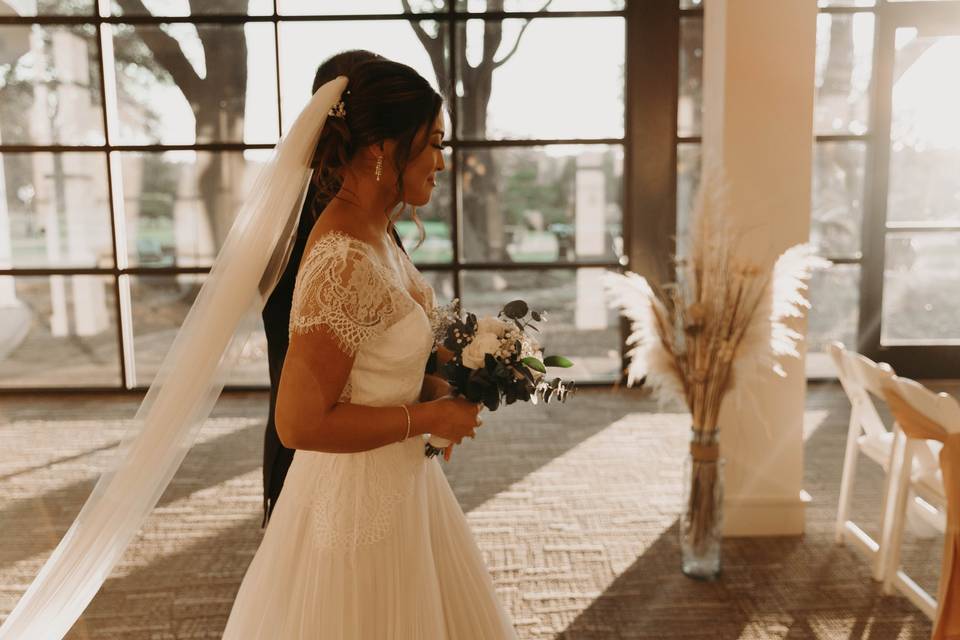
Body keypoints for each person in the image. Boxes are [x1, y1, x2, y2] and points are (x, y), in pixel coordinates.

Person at [221, 58, 517, 637]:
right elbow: (299, 425)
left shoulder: (378, 230)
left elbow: (372, 357)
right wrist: (428, 414)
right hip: (355, 507)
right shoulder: (340, 256)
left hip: (405, 486)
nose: (441, 160)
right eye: (433, 143)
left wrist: (430, 386)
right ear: (383, 147)